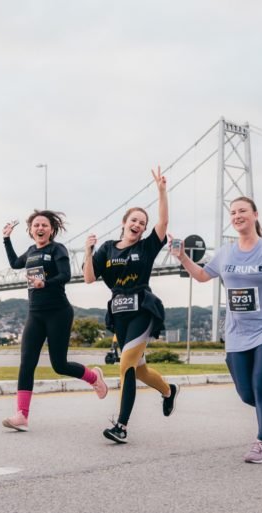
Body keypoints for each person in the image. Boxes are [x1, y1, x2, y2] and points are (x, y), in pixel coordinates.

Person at [171, 198, 262, 463]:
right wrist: (182, 257)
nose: (237, 216)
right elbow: (203, 276)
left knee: (261, 383)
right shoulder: (226, 253)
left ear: (255, 215)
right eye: (233, 212)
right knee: (246, 394)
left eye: (242, 211)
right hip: (238, 332)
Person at [83, 166, 179, 444]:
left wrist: (161, 191)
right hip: (119, 312)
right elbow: (89, 277)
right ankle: (169, 391)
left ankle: (121, 426)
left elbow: (163, 223)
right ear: (124, 222)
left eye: (142, 223)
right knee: (139, 370)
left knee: (125, 365)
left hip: (143, 310)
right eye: (134, 220)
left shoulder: (147, 247)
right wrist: (89, 251)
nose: (138, 225)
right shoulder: (107, 249)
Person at [2, 210, 107, 432]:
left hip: (58, 312)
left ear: (52, 229)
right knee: (26, 363)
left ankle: (93, 377)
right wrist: (6, 238)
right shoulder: (30, 251)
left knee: (59, 365)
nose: (40, 228)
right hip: (35, 313)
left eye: (44, 225)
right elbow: (14, 263)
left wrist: (45, 283)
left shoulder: (57, 249)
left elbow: (65, 275)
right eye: (36, 225)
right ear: (30, 230)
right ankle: (22, 415)